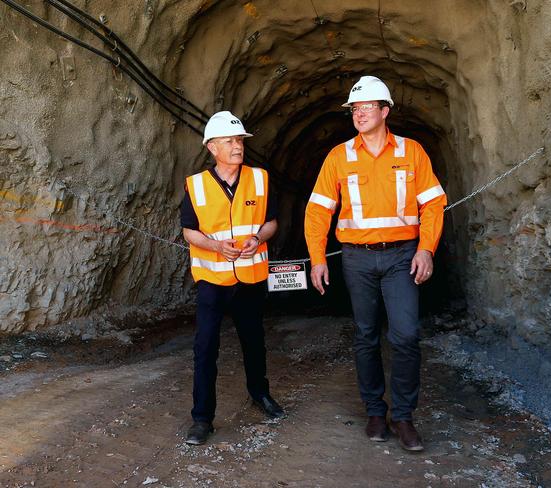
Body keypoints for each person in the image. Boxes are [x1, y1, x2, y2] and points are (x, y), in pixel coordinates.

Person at [304, 76, 446, 452]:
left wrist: (426, 249)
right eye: (354, 108)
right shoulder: (339, 156)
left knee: (405, 335)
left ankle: (403, 416)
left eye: (366, 106)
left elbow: (432, 203)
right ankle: (373, 411)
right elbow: (318, 212)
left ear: (385, 111)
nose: (359, 113)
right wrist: (318, 258)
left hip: (403, 256)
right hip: (356, 258)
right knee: (366, 335)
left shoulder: (412, 151)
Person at [181, 110, 284, 446]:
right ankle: (202, 419)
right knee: (205, 347)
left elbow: (271, 222)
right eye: (230, 141)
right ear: (212, 147)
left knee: (254, 341)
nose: (238, 146)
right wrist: (213, 245)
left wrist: (259, 238)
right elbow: (188, 231)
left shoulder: (260, 179)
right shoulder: (196, 186)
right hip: (212, 280)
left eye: (240, 140)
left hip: (250, 277)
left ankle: (260, 394)